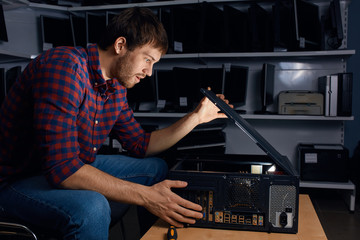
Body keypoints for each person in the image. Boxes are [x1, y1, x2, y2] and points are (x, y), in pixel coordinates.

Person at [0, 7, 230, 239]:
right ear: (120, 45)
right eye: (147, 59)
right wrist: (147, 196)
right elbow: (63, 170)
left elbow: (140, 144)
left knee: (156, 168)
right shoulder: (65, 67)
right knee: (92, 207)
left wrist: (196, 117)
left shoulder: (115, 87)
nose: (149, 72)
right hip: (15, 182)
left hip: (64, 168)